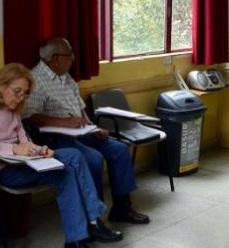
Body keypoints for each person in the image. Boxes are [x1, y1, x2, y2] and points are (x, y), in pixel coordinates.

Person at [0, 63, 121, 248]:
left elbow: (24, 142)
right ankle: (90, 224)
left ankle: (77, 240)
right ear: (1, 85)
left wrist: (40, 151)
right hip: (0, 171)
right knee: (69, 169)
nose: (20, 98)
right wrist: (13, 150)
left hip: (22, 163)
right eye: (17, 91)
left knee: (72, 157)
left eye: (25, 94)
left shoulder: (13, 110)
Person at [25, 37, 150, 225]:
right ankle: (94, 218)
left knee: (119, 149)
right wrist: (63, 123)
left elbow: (80, 109)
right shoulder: (35, 79)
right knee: (93, 159)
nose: (73, 58)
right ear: (55, 58)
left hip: (81, 132)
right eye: (69, 55)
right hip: (56, 138)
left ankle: (122, 209)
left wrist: (93, 126)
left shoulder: (66, 77)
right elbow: (30, 117)